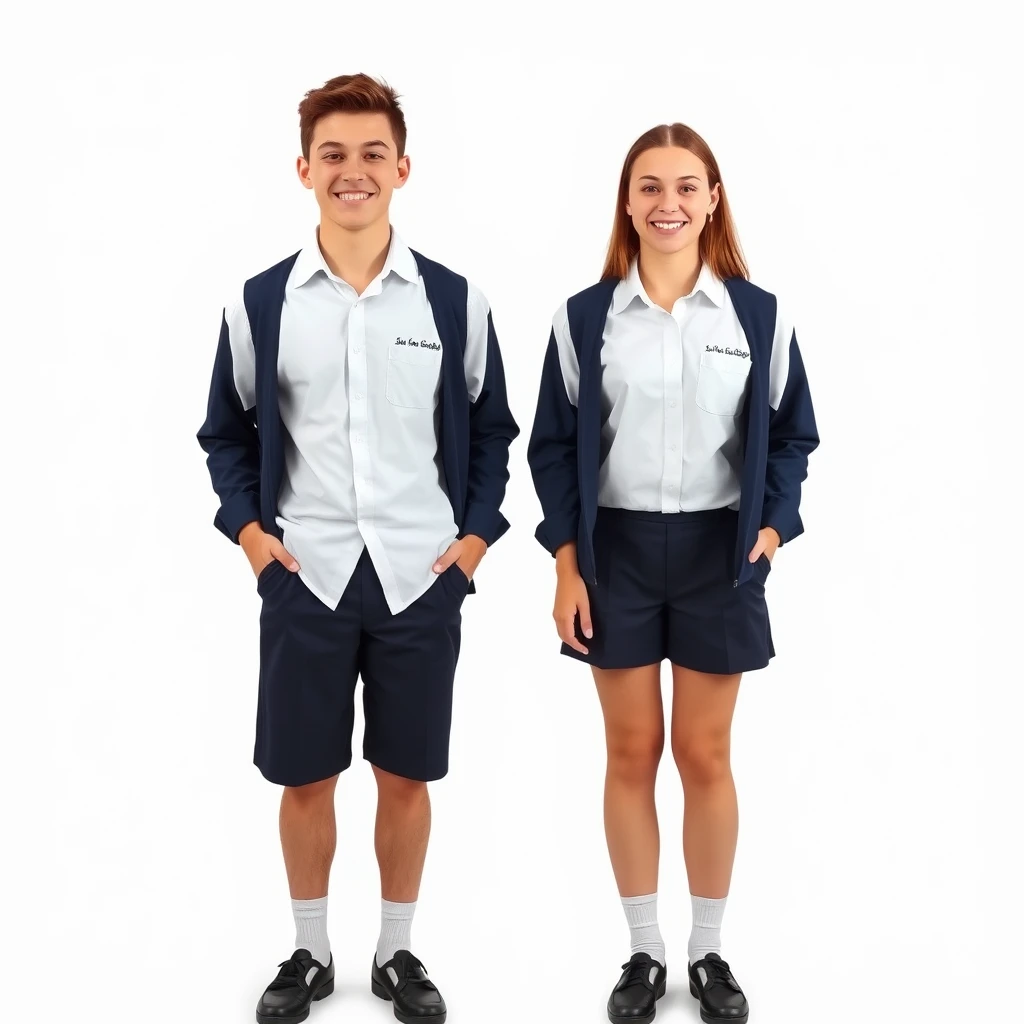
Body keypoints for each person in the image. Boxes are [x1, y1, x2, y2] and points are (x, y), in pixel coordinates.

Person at [197, 73, 519, 1024]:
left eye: (372, 153)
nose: (353, 171)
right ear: (304, 170)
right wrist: (253, 537)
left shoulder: (454, 302)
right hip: (309, 574)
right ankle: (307, 952)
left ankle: (396, 953)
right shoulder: (261, 304)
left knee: (407, 772)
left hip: (422, 577)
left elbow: (492, 428)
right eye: (333, 154)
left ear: (403, 169)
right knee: (305, 774)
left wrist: (473, 543)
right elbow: (226, 430)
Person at [527, 123, 819, 1024]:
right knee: (629, 752)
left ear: (713, 199)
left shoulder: (757, 315)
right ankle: (644, 951)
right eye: (650, 186)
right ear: (627, 201)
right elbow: (554, 446)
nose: (669, 203)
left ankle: (710, 952)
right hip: (613, 552)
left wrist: (769, 530)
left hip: (715, 556)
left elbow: (793, 434)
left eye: (687, 187)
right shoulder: (584, 318)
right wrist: (567, 566)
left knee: (704, 754)